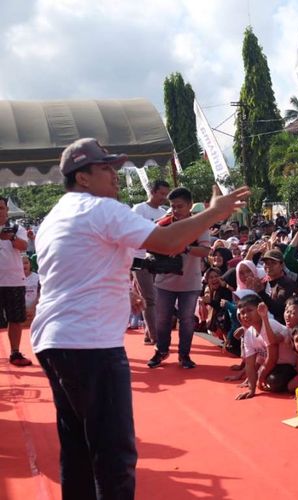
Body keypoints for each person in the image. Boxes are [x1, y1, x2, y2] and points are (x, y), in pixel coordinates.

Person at [31, 137, 248, 499]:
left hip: (57, 340)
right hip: (91, 344)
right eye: (106, 169)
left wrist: (122, 285)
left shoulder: (58, 214)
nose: (115, 177)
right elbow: (167, 243)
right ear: (82, 178)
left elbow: (93, 260)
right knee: (114, 454)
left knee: (79, 448)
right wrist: (214, 212)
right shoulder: (99, 209)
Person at [149, 187, 211, 369]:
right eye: (173, 207)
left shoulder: (199, 225)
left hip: (190, 283)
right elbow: (150, 246)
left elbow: (206, 251)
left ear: (190, 205)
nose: (176, 210)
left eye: (180, 206)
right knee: (161, 318)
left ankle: (184, 355)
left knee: (186, 320)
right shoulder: (162, 224)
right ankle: (161, 350)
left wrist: (185, 248)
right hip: (164, 282)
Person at [131, 180, 169, 344]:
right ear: (152, 192)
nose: (164, 197)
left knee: (156, 298)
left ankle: (149, 332)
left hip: (158, 260)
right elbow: (132, 234)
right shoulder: (138, 209)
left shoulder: (164, 213)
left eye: (165, 194)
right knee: (150, 297)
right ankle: (155, 337)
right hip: (139, 259)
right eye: (161, 193)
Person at [0, 195, 32, 366]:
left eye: (1, 208)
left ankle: (15, 352)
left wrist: (11, 238)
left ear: (6, 210)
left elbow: (24, 246)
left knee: (15, 318)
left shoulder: (15, 227)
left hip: (13, 280)